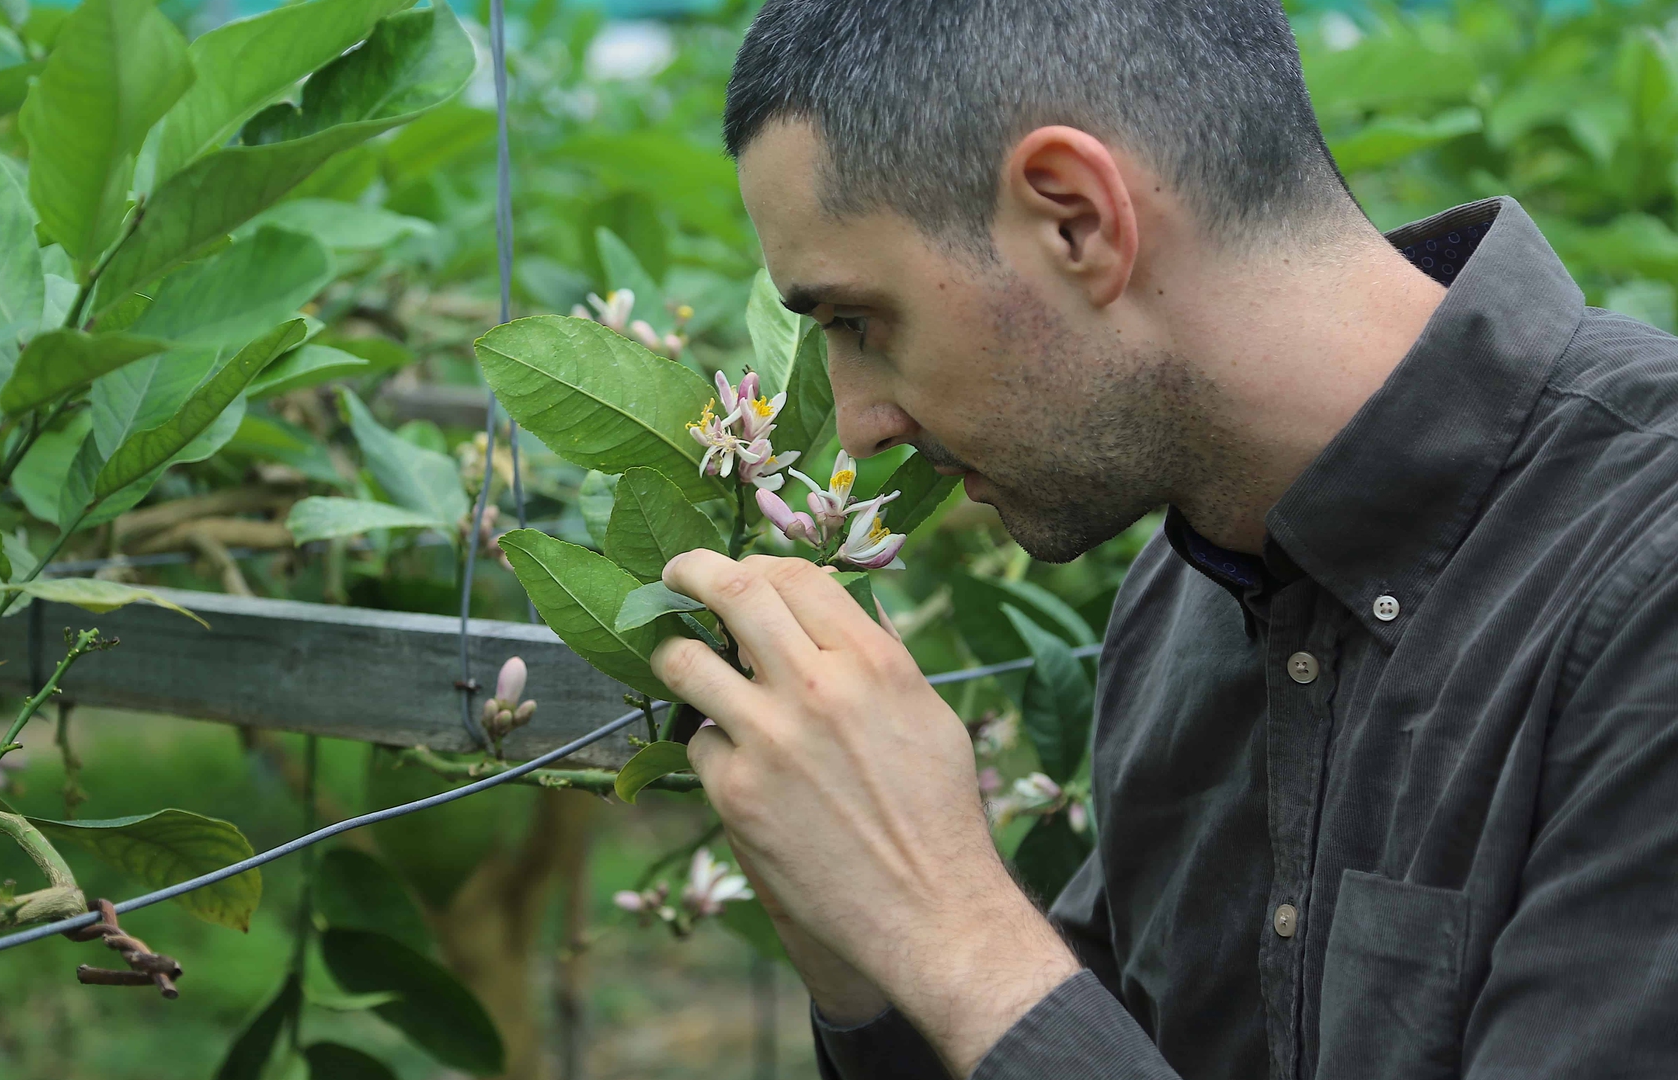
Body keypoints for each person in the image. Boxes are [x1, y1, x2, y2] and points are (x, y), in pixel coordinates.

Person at [647, 1, 1678, 1078]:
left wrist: (951, 928)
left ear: (1075, 220)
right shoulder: (1186, 595)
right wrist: (869, 952)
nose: (857, 419)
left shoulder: (1647, 580)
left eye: (860, 324)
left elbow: (1012, 1004)